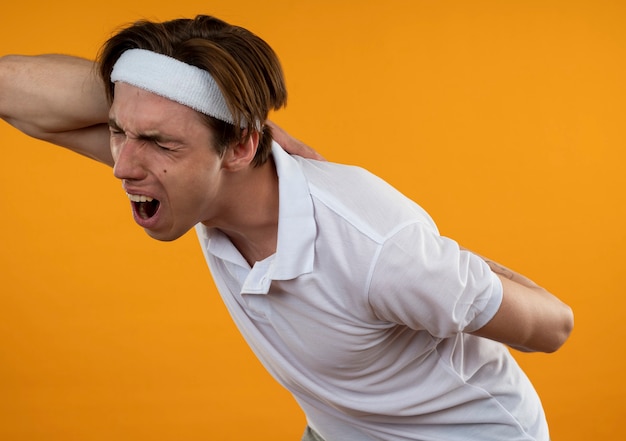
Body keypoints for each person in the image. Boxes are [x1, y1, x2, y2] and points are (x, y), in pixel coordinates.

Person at [0, 15, 573, 441]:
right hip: (340, 431)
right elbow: (10, 89)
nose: (123, 166)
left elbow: (555, 327)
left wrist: (449, 268)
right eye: (121, 131)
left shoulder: (379, 253)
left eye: (158, 140)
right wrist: (153, 96)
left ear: (241, 146)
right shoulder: (191, 174)